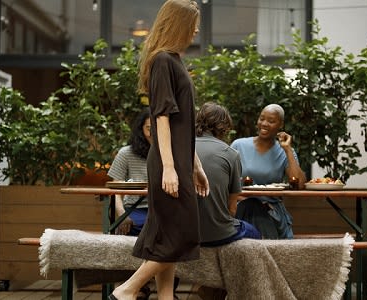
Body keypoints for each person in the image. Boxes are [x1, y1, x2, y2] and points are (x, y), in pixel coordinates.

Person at [110, 1, 209, 300]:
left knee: (168, 236)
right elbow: (162, 118)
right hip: (168, 162)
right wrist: (170, 166)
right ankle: (127, 290)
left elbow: (183, 126)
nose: (196, 29)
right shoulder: (164, 61)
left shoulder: (175, 60)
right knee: (182, 235)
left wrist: (195, 165)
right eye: (192, 23)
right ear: (178, 24)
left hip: (178, 160)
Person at [230, 104, 307, 239]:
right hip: (240, 207)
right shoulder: (239, 145)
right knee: (252, 206)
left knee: (259, 212)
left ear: (280, 125)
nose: (264, 124)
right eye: (262, 119)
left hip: (271, 211)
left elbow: (299, 183)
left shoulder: (284, 151)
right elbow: (226, 181)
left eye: (271, 121)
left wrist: (287, 149)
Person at [195, 102, 261, 247]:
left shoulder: (181, 147)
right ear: (224, 127)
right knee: (255, 233)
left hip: (182, 232)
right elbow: (232, 208)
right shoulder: (230, 154)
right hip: (217, 234)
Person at [108, 108, 151, 236]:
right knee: (132, 226)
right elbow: (115, 190)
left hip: (162, 208)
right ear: (141, 129)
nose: (153, 133)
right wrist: (122, 215)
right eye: (149, 128)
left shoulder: (169, 154)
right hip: (134, 207)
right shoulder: (126, 153)